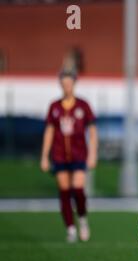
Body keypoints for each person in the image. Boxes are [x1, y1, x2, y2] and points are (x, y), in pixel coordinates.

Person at [40, 70, 98, 243]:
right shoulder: (55, 106)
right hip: (59, 155)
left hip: (79, 153)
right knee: (64, 192)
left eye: (69, 83)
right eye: (63, 84)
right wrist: (44, 156)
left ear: (74, 84)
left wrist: (93, 154)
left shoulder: (83, 105)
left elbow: (93, 131)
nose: (66, 87)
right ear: (60, 85)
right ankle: (71, 229)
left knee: (78, 189)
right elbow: (49, 131)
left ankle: (82, 219)